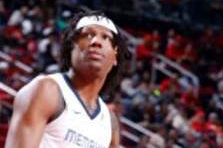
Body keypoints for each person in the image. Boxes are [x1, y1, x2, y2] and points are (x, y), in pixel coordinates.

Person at [6, 11, 130, 147]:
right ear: (71, 46)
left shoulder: (110, 121)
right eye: (88, 35)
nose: (96, 42)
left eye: (105, 37)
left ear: (115, 55)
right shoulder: (46, 90)